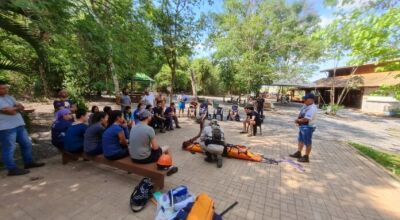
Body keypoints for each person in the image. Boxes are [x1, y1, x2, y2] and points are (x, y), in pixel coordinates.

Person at [0, 80, 45, 176]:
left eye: (6, 88)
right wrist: (15, 108)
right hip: (6, 128)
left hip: (19, 125)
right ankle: (12, 169)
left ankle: (28, 163)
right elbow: (9, 112)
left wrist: (14, 108)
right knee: (9, 148)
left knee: (27, 144)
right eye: (3, 88)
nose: (5, 90)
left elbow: (21, 107)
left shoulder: (9, 97)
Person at [289, 93, 318, 163]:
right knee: (300, 140)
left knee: (307, 142)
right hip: (303, 126)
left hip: (308, 127)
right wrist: (298, 120)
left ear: (311, 100)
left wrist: (297, 120)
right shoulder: (306, 105)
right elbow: (301, 113)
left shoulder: (312, 108)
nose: (304, 100)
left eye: (306, 99)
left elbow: (306, 119)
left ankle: (306, 157)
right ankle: (299, 152)